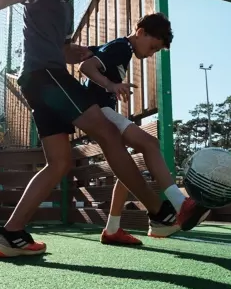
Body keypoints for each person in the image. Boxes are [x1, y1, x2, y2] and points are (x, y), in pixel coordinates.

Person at [0, 0, 206, 257]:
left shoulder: (65, 7)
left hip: (42, 80)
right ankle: (160, 212)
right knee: (108, 133)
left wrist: (78, 52)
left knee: (59, 163)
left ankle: (10, 234)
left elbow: (63, 50)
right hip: (46, 76)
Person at [79, 13, 208, 245]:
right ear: (140, 33)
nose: (151, 53)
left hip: (99, 111)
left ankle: (112, 229)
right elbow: (86, 67)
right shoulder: (122, 47)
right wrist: (111, 85)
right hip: (97, 112)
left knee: (127, 168)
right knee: (150, 143)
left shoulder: (122, 49)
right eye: (153, 47)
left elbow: (91, 58)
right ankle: (180, 204)